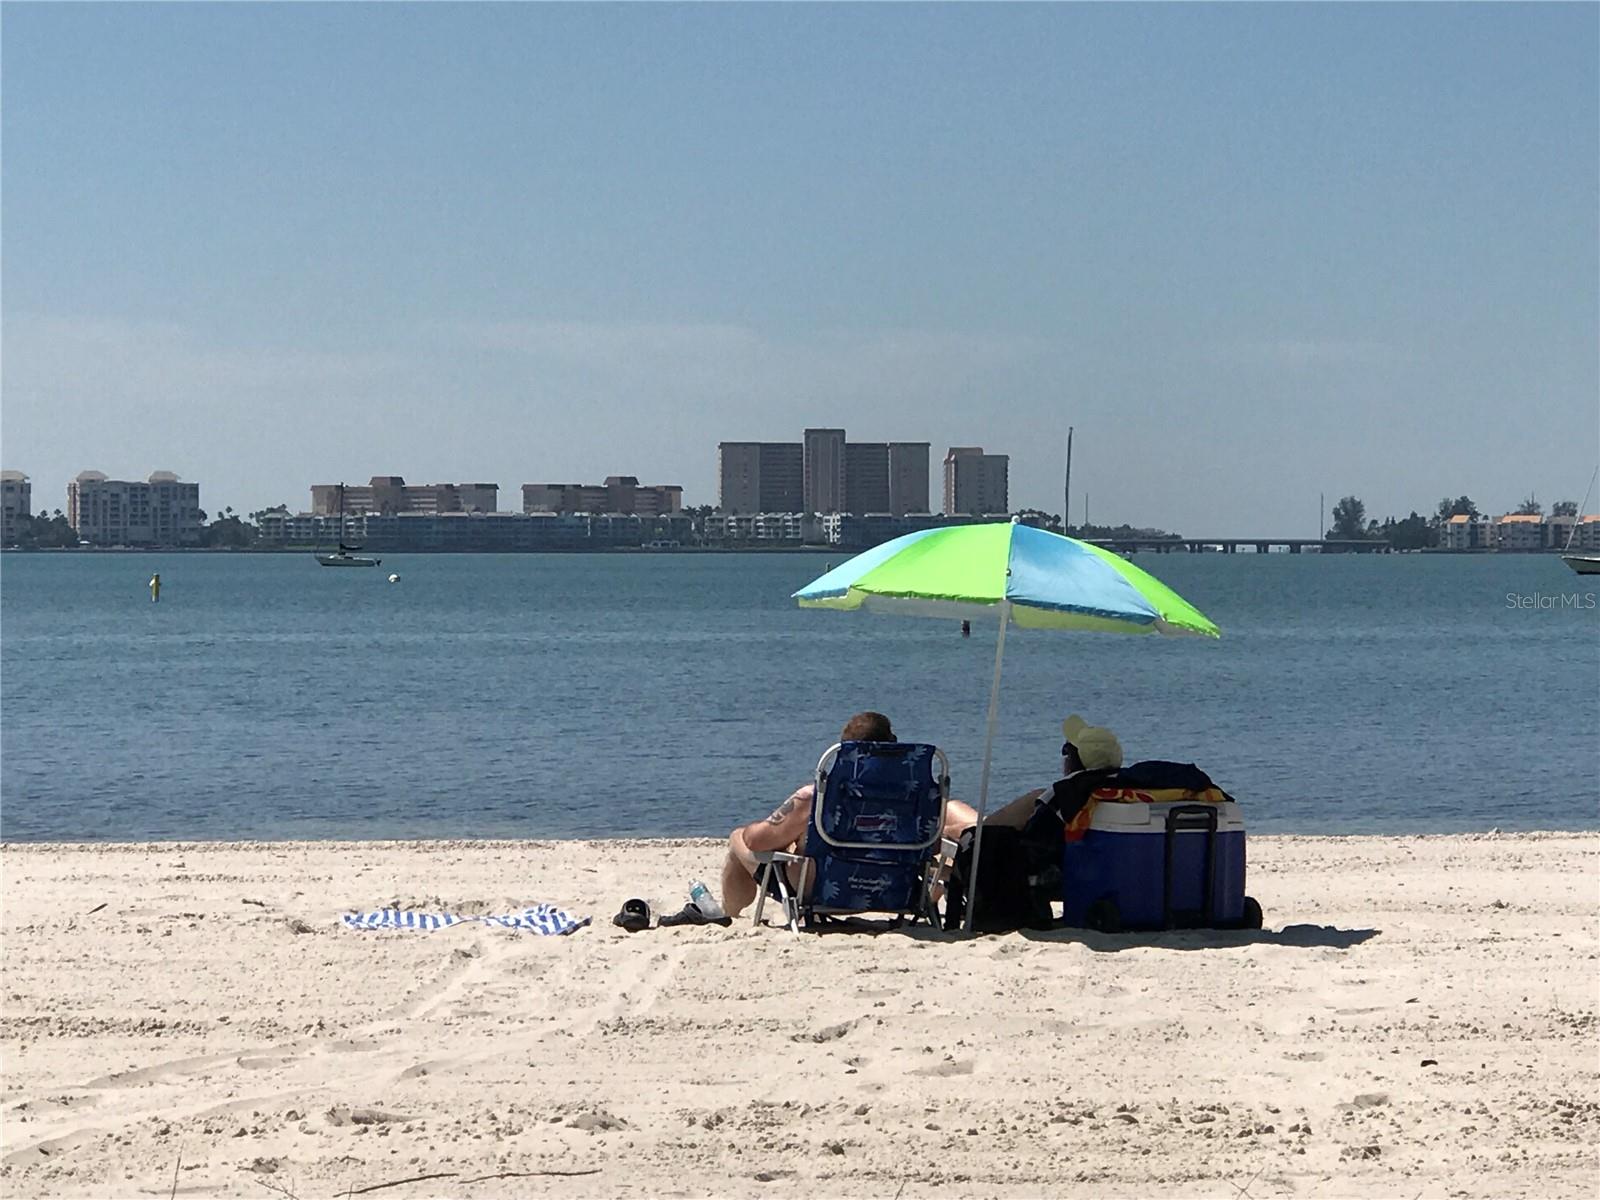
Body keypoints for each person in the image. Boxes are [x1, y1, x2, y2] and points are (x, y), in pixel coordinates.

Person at [719, 710, 972, 918]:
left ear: (844, 754)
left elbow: (757, 841)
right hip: (899, 889)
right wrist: (943, 834)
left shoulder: (817, 799)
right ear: (896, 747)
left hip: (823, 890)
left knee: (739, 837)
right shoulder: (919, 801)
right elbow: (972, 827)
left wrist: (790, 835)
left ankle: (728, 914)